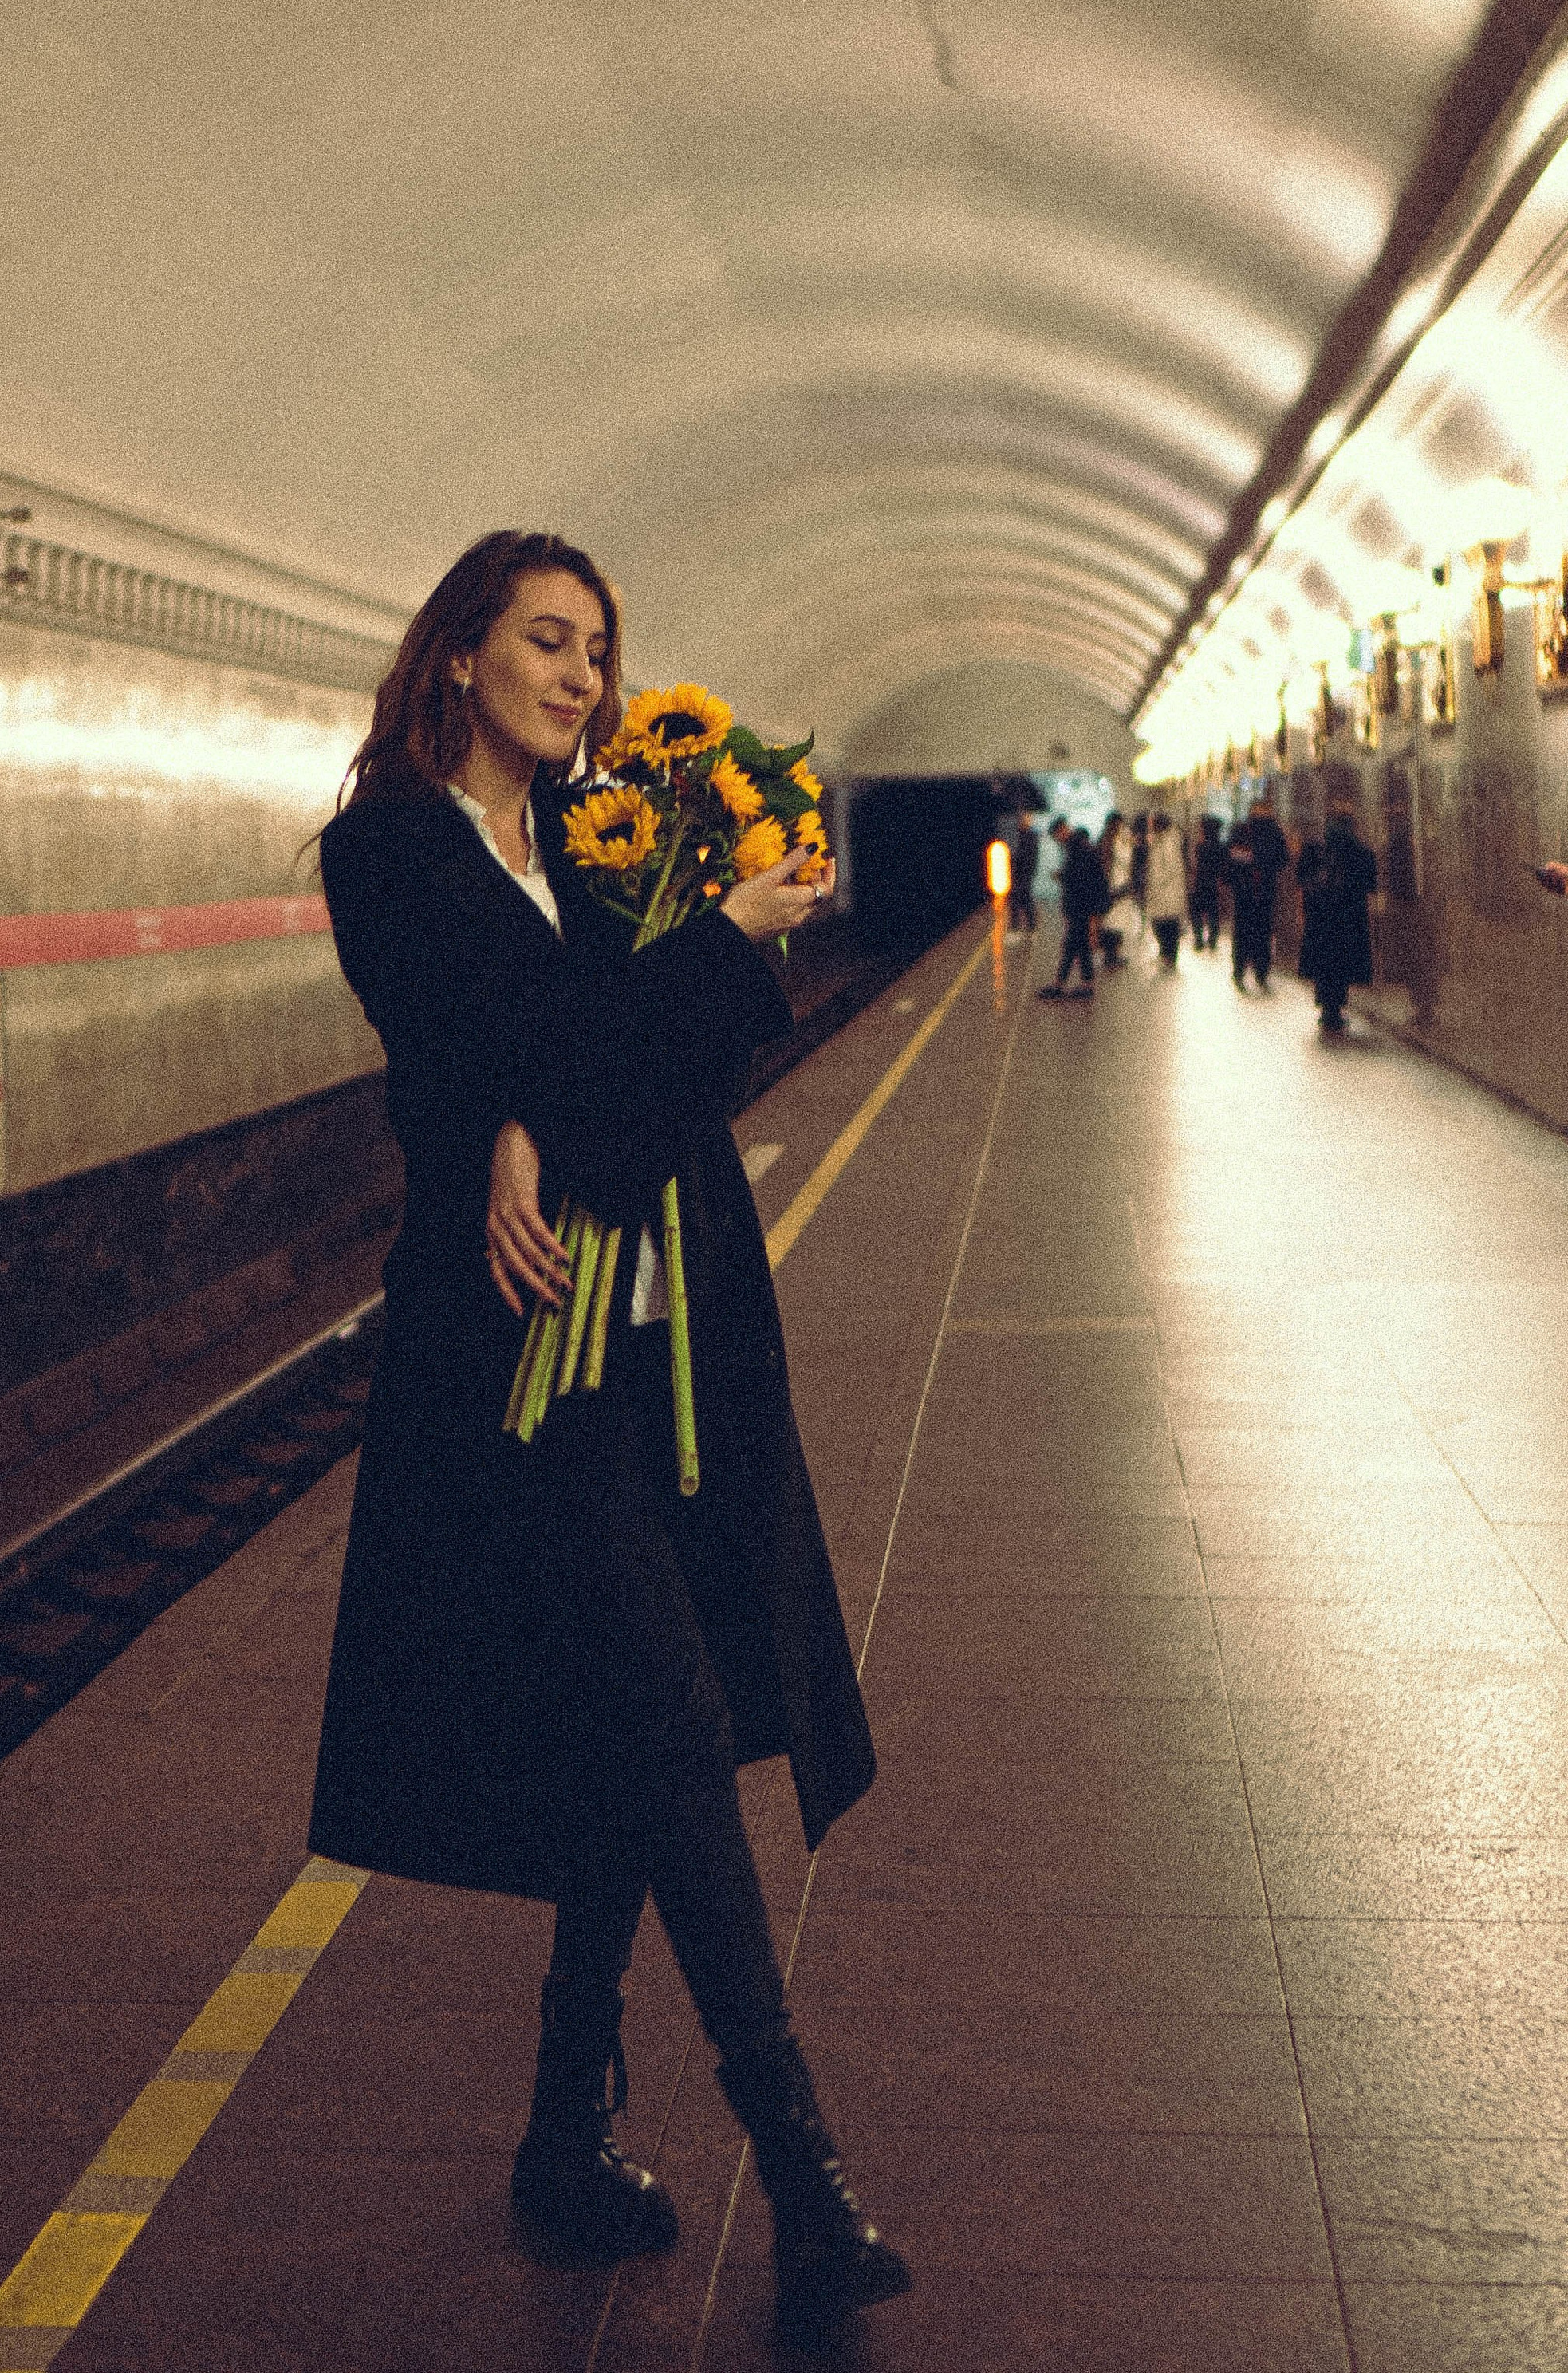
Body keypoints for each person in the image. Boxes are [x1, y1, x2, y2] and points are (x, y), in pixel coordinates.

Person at [313, 530, 908, 2341]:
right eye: (547, 641)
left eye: (597, 650)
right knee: (666, 1718)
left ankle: (563, 2135)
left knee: (620, 1742)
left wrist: (530, 1111)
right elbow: (531, 1036)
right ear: (459, 655)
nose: (581, 677)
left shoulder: (596, 837)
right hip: (514, 1368)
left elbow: (656, 1066)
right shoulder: (390, 849)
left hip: (659, 1347)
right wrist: (560, 1069)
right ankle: (800, 2171)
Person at [1298, 803, 1378, 1033]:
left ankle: (1326, 1006)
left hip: (1320, 917)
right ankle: (1336, 1006)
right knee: (1342, 963)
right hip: (1349, 918)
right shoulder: (1361, 851)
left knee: (1323, 962)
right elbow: (1370, 884)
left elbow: (1301, 877)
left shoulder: (1315, 848)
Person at [1226, 791, 1291, 990]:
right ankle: (1260, 973)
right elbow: (1283, 859)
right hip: (1265, 889)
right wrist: (1265, 864)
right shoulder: (1274, 832)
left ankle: (1240, 972)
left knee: (1243, 931)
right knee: (1263, 932)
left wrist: (1250, 861)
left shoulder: (1241, 829)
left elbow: (1231, 856)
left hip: (1246, 889)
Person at [1039, 818, 1111, 997]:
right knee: (1078, 946)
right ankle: (1082, 984)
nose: (1058, 840)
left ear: (1062, 830)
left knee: (1073, 945)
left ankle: (1061, 985)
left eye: (1057, 836)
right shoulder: (1079, 846)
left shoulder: (1079, 849)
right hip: (1081, 907)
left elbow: (1083, 881)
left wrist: (1065, 878)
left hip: (1081, 907)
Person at [1146, 811, 1191, 966]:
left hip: (1167, 890)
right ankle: (1165, 952)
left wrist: (1156, 882)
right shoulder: (1160, 839)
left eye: (1152, 823)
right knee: (1161, 923)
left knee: (1169, 924)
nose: (1149, 826)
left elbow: (1169, 866)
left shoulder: (1169, 841)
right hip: (1162, 891)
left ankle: (1170, 955)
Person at [1098, 810, 1138, 965]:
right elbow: (1126, 860)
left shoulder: (1107, 839)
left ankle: (1112, 954)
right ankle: (1111, 955)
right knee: (1114, 921)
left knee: (1114, 921)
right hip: (1117, 886)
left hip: (1115, 885)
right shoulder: (1115, 842)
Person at [1189, 815, 1227, 951]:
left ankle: (1199, 940)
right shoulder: (1221, 846)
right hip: (1214, 883)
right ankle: (1212, 940)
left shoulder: (1200, 846)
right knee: (1213, 912)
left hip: (1201, 881)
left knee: (1197, 912)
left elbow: (1196, 865)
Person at [1006, 806, 1041, 940]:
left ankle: (1022, 925)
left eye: (1027, 819)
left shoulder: (1032, 836)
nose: (1024, 821)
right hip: (1016, 871)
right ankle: (1023, 925)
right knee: (1018, 897)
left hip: (1026, 871)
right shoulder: (1016, 834)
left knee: (1023, 896)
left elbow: (1028, 855)